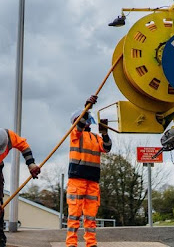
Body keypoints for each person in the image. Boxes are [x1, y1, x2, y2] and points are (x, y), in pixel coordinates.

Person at [66, 95, 112, 247]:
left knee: (91, 217)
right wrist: (87, 109)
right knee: (74, 215)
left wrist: (105, 133)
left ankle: (91, 244)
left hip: (92, 181)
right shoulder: (74, 134)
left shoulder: (95, 137)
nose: (87, 122)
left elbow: (107, 148)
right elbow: (79, 126)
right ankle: (71, 244)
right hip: (77, 181)